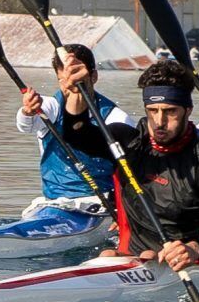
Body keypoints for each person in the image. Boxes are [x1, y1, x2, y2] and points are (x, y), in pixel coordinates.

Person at [58, 57, 199, 272]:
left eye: (170, 111)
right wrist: (77, 96)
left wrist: (192, 250)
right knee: (107, 255)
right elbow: (77, 136)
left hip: (187, 261)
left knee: (149, 256)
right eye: (152, 110)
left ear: (187, 110)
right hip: (128, 255)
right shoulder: (126, 142)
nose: (159, 121)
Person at [18, 44, 135, 218]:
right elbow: (26, 126)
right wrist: (27, 111)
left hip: (100, 203)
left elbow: (131, 170)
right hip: (55, 203)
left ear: (93, 76)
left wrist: (127, 213)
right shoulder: (51, 106)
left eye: (75, 78)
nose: (68, 86)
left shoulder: (115, 117)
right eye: (62, 80)